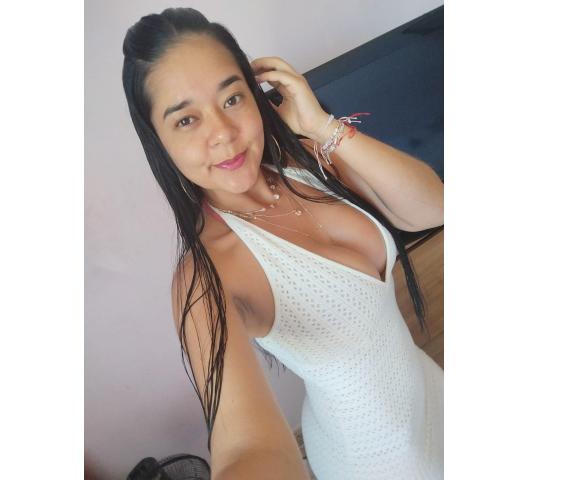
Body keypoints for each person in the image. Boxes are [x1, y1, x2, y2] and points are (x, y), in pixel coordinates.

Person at [122, 7, 444, 480]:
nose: (224, 133)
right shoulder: (206, 276)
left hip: (430, 389)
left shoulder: (308, 159)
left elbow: (433, 208)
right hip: (378, 462)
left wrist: (320, 124)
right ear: (159, 141)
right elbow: (246, 447)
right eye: (186, 120)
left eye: (232, 98)